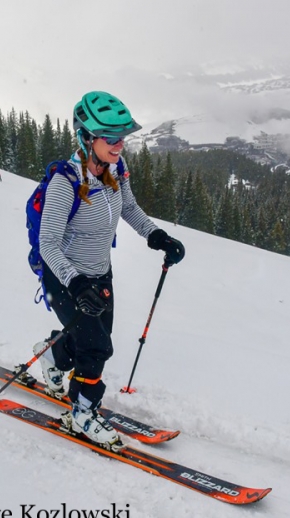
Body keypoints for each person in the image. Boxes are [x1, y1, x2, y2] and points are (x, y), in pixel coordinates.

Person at [34, 91, 185, 451]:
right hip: (67, 277)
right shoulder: (64, 183)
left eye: (123, 137)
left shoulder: (116, 170)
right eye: (111, 138)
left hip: (100, 275)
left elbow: (128, 207)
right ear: (87, 137)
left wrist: (157, 236)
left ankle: (52, 354)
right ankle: (82, 412)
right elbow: (48, 244)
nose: (120, 145)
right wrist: (76, 282)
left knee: (91, 339)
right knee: (97, 346)